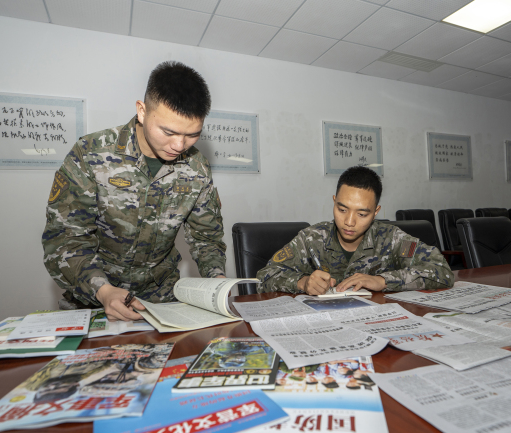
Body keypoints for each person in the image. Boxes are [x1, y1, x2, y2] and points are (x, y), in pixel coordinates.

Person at [42, 61, 226, 321]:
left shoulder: (197, 167)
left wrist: (217, 282)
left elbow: (207, 239)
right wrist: (103, 291)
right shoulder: (91, 154)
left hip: (162, 304)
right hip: (93, 301)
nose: (179, 145)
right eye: (169, 131)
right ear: (142, 111)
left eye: (192, 134)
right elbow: (65, 240)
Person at [257, 166, 454, 295]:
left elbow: (443, 272)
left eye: (362, 214)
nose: (349, 222)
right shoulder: (312, 239)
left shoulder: (391, 238)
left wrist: (383, 281)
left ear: (376, 212)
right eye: (342, 210)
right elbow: (263, 277)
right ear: (334, 201)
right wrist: (303, 282)